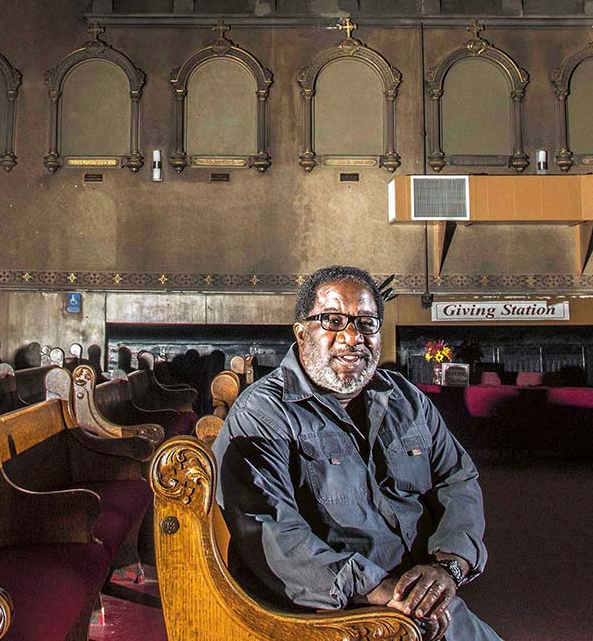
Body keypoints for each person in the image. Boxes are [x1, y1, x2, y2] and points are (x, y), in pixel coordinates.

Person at [212, 265, 503, 641]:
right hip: (337, 613)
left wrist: (448, 568)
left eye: (367, 323)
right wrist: (384, 592)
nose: (352, 337)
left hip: (423, 599)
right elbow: (270, 534)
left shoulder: (406, 399)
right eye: (332, 320)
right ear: (302, 333)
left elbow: (457, 478)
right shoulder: (264, 414)